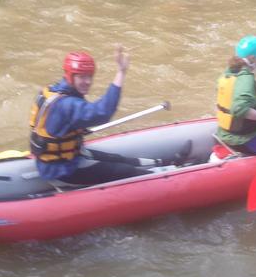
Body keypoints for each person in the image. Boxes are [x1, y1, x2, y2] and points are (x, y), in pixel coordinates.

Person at [30, 47, 173, 187]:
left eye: (90, 76)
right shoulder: (67, 104)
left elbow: (56, 124)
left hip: (63, 160)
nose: (88, 82)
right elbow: (102, 112)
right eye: (82, 76)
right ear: (69, 76)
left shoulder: (51, 91)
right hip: (63, 171)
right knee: (124, 170)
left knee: (116, 159)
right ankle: (169, 176)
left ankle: (163, 163)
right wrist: (121, 73)